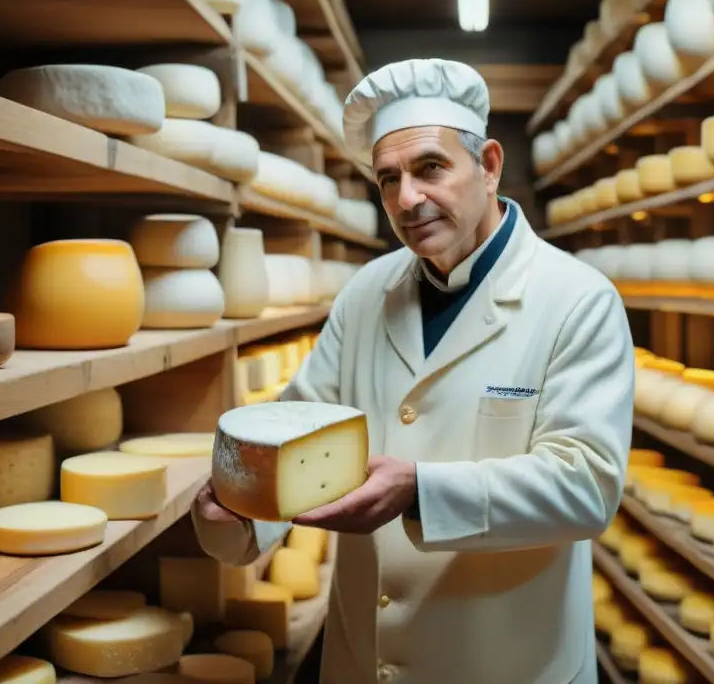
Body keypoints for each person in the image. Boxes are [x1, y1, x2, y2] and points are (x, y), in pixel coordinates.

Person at [192, 58, 634, 684]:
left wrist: (421, 489)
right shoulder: (365, 293)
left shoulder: (576, 299)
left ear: (488, 166)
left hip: (506, 664)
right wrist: (233, 518)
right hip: (362, 662)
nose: (407, 199)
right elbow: (291, 442)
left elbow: (586, 485)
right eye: (388, 179)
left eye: (431, 168)